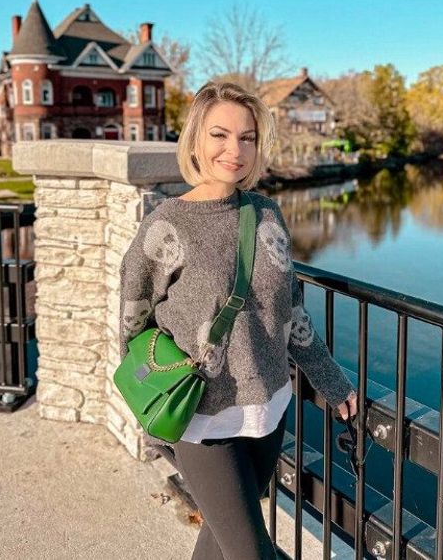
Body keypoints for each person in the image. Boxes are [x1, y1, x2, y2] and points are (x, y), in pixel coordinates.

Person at [119, 80, 358, 560]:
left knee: (220, 538)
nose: (235, 149)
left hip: (266, 408)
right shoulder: (167, 224)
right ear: (195, 141)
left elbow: (289, 308)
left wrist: (330, 380)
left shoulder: (266, 213)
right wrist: (154, 396)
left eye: (247, 137)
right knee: (252, 552)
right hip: (201, 417)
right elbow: (133, 320)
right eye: (220, 135)